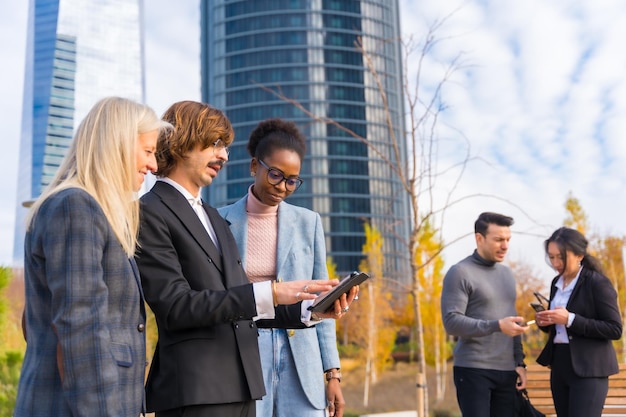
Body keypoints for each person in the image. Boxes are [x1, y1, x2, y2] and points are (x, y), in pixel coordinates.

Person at [135, 101, 356, 417]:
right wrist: (273, 292)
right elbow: (176, 308)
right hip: (197, 391)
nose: (224, 156)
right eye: (215, 144)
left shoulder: (211, 217)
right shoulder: (150, 211)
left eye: (224, 147)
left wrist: (312, 311)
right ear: (182, 141)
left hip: (242, 387)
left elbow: (240, 308)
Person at [14, 97, 170, 417]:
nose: (153, 166)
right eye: (148, 151)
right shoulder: (75, 207)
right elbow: (80, 327)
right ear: (118, 145)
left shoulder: (91, 210)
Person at [218, 118, 344, 417]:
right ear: (254, 166)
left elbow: (319, 302)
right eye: (275, 174)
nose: (283, 187)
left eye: (292, 180)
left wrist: (333, 373)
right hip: (245, 352)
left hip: (302, 357)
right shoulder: (219, 221)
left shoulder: (308, 222)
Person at [441, 212, 530, 417]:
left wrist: (519, 363)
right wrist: (497, 325)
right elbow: (451, 322)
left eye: (508, 239)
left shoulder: (507, 274)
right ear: (479, 238)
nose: (505, 246)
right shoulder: (460, 272)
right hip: (473, 370)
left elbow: (512, 321)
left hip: (507, 372)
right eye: (498, 239)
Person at [535, 227, 622, 417]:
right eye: (551, 257)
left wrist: (570, 319)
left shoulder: (597, 283)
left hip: (589, 369)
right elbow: (558, 329)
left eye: (561, 257)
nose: (556, 263)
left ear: (579, 255)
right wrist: (545, 321)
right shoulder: (555, 284)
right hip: (560, 366)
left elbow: (615, 329)